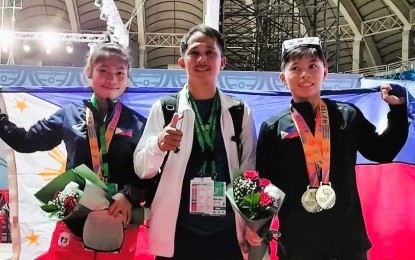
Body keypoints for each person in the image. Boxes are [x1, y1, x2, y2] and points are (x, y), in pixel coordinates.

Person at [253, 37, 409, 260]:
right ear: (282, 78)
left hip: (348, 242)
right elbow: (265, 186)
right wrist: (257, 229)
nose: (304, 74)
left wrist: (397, 111)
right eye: (295, 68)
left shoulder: (348, 115)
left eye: (312, 66)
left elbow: (382, 151)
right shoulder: (274, 127)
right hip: (298, 243)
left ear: (325, 72)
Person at [0, 42, 149, 259]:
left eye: (120, 73)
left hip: (120, 217)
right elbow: (25, 141)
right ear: (89, 71)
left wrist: (127, 196)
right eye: (104, 71)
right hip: (73, 212)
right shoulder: (68, 115)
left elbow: (149, 175)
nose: (112, 79)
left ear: (127, 77)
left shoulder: (137, 123)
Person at [133, 24, 257, 259]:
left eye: (210, 52)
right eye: (194, 53)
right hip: (177, 232)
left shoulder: (239, 112)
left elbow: (249, 172)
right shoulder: (165, 109)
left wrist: (252, 223)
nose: (202, 58)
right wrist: (158, 145)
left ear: (222, 62)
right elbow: (142, 168)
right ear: (182, 62)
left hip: (228, 234)